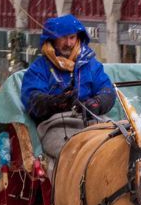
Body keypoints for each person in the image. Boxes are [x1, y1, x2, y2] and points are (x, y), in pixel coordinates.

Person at [17, 16, 116, 172]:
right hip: (56, 125)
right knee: (74, 154)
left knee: (118, 143)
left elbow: (107, 90)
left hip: (91, 119)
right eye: (63, 38)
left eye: (72, 38)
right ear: (52, 39)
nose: (69, 43)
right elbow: (32, 99)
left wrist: (97, 102)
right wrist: (56, 102)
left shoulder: (91, 65)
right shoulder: (39, 68)